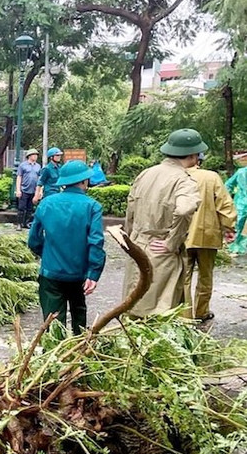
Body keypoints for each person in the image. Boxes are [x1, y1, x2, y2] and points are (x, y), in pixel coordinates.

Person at [122, 129, 204, 318]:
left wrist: (131, 239)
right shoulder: (183, 180)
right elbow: (184, 209)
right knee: (158, 312)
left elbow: (131, 209)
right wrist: (172, 242)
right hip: (161, 250)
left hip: (138, 245)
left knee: (133, 306)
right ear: (192, 155)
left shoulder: (146, 174)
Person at [28, 160, 105, 334]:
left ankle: (55, 355)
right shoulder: (92, 206)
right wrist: (94, 273)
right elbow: (96, 242)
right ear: (84, 181)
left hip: (51, 273)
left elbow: (33, 240)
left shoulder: (46, 203)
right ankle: (79, 354)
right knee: (79, 314)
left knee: (53, 323)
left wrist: (47, 254)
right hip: (79, 274)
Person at [184, 153, 236, 321]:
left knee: (182, 278)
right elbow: (224, 204)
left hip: (180, 236)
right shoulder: (211, 177)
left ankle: (184, 315)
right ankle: (201, 311)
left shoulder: (174, 176)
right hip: (207, 235)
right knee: (205, 276)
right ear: (199, 160)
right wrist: (229, 227)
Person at [16, 148, 41, 230]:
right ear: (29, 156)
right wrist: (18, 190)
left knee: (30, 208)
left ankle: (27, 223)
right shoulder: (23, 165)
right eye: (34, 155)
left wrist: (39, 191)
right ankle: (19, 223)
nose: (35, 156)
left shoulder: (38, 166)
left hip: (33, 190)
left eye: (36, 155)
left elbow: (39, 179)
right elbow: (19, 177)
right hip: (24, 189)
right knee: (21, 208)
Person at [225, 166, 247, 256]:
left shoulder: (241, 172)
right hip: (241, 202)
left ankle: (240, 245)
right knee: (238, 224)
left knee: (238, 224)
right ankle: (234, 245)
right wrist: (226, 198)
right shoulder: (241, 172)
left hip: (241, 202)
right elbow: (228, 185)